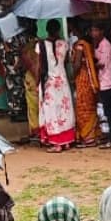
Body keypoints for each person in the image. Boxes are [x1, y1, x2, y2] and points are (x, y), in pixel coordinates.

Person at [37, 20, 76, 153]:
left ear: (46, 30)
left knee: (51, 111)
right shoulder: (64, 44)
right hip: (62, 79)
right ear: (59, 30)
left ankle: (57, 143)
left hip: (49, 81)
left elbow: (40, 66)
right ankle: (66, 141)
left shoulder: (41, 45)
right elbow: (65, 62)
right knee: (64, 109)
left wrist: (38, 82)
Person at [92, 22, 111, 148]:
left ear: (101, 31)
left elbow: (102, 64)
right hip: (102, 80)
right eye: (92, 30)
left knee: (109, 111)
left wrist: (90, 62)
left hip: (107, 81)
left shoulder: (106, 45)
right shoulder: (98, 44)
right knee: (107, 110)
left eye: (95, 30)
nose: (93, 33)